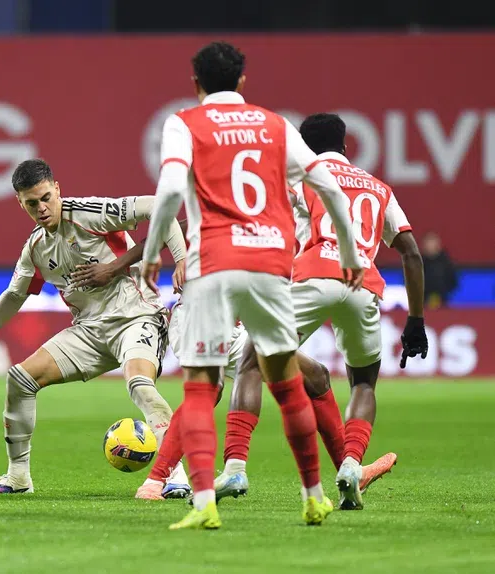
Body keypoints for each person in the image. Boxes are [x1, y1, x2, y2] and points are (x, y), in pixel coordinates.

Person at [142, 42, 364, 530]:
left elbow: (173, 188)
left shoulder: (183, 123)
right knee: (286, 384)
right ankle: (313, 496)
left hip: (212, 265)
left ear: (194, 82)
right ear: (243, 82)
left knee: (200, 388)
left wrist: (152, 250)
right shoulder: (276, 124)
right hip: (269, 267)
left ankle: (204, 503)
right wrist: (349, 252)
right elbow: (328, 185)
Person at [71, 237, 395, 504]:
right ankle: (156, 481)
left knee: (315, 375)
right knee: (208, 390)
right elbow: (170, 224)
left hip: (239, 320)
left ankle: (349, 471)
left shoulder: (273, 214)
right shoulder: (226, 203)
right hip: (201, 311)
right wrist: (164, 259)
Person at [212, 113, 426, 510]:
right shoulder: (379, 188)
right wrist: (416, 320)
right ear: (346, 146)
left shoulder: (301, 176)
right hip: (363, 286)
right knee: (363, 383)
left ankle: (236, 466)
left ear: (307, 148)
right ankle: (350, 464)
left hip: (311, 276)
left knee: (252, 362)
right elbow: (411, 253)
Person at [0, 158, 191, 495]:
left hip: (137, 316)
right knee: (20, 379)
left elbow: (160, 207)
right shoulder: (37, 248)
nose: (41, 208)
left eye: (46, 198)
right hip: (88, 331)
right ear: (20, 202)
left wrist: (180, 259)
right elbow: (15, 294)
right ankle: (18, 478)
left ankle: (176, 477)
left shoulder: (90, 213)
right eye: (31, 203)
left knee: (140, 385)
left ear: (57, 189)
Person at [421, 231, 457, 309]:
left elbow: (453, 281)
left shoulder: (446, 262)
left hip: (443, 301)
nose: (430, 245)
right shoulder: (418, 263)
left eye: (433, 242)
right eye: (428, 242)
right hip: (422, 303)